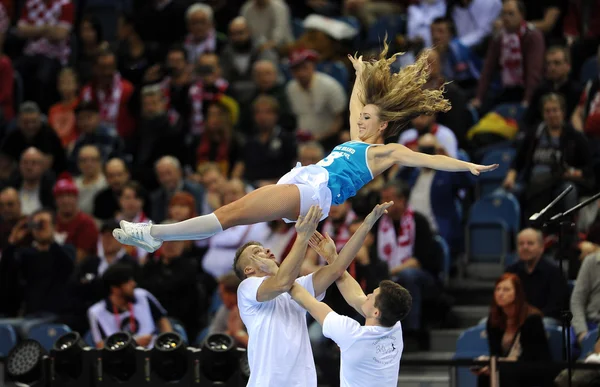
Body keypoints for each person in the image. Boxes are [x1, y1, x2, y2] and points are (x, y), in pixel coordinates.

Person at [113, 44, 498, 253]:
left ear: (382, 126)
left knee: (230, 213)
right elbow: (353, 104)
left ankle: (155, 234)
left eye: (367, 119)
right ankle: (156, 236)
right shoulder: (353, 141)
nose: (360, 120)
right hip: (304, 181)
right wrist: (361, 74)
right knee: (232, 214)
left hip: (313, 192)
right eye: (360, 117)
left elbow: (426, 157)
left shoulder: (381, 152)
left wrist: (466, 165)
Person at [235, 203, 390, 387]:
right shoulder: (247, 287)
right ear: (249, 269)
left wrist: (366, 226)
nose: (266, 251)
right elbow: (282, 281)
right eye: (257, 252)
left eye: (263, 248)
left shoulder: (296, 287)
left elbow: (338, 269)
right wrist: (302, 237)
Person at [290, 231, 412, 387]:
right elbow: (354, 294)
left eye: (371, 296)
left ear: (376, 312)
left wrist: (281, 277)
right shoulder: (394, 326)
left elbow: (308, 300)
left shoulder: (353, 336)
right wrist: (332, 257)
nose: (366, 295)